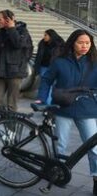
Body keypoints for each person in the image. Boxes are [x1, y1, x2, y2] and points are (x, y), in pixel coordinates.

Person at [36, 29, 97, 194]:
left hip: (88, 109)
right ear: (72, 43)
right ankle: (55, 173)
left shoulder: (94, 62)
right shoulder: (60, 61)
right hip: (63, 108)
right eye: (80, 42)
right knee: (60, 145)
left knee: (94, 148)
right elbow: (47, 79)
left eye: (87, 43)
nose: (84, 46)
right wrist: (42, 98)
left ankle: (96, 178)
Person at [0, 10, 33, 112]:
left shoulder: (22, 31)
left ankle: (11, 126)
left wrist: (12, 28)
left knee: (11, 104)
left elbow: (18, 44)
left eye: (0, 19)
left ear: (8, 20)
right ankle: (4, 120)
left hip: (15, 72)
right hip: (0, 71)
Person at [34, 29, 65, 104]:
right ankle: (45, 101)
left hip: (54, 67)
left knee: (52, 85)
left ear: (51, 36)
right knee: (44, 84)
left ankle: (49, 102)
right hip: (43, 66)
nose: (44, 37)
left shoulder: (60, 44)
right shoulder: (42, 43)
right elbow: (39, 55)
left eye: (45, 35)